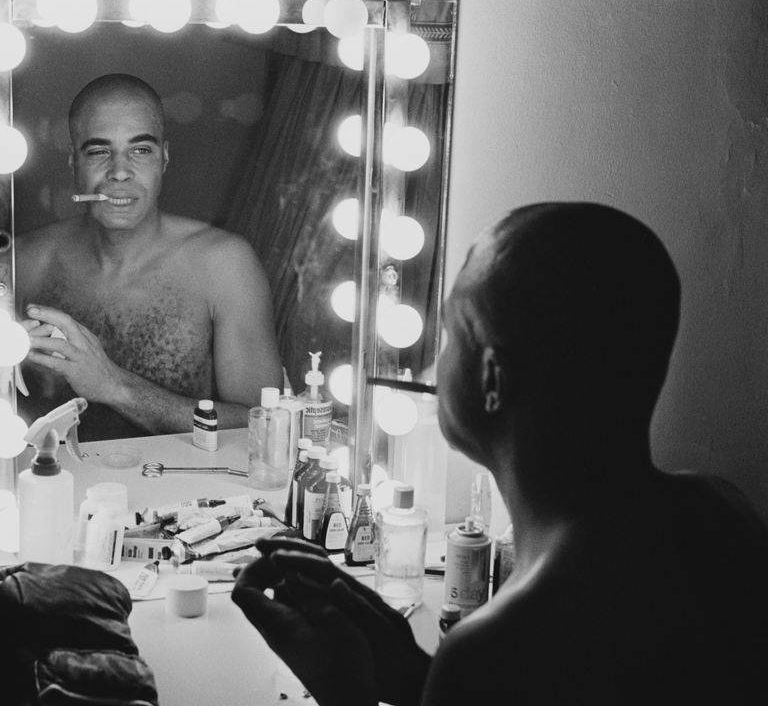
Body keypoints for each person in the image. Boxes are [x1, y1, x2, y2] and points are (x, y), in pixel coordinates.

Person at [232, 203, 768, 706]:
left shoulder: (499, 647)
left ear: (492, 378)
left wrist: (345, 693)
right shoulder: (721, 513)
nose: (433, 365)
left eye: (447, 335)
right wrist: (409, 671)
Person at [16, 73, 284, 441]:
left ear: (164, 159)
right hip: (53, 492)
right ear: (72, 163)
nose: (120, 172)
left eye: (140, 151)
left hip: (189, 495)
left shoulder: (224, 266)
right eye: (98, 152)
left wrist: (112, 385)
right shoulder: (26, 261)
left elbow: (265, 425)